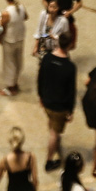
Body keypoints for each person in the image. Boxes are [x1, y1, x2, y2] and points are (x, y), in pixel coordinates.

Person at [37, 31, 78, 170]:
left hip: (47, 100)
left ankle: (54, 139)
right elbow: (71, 91)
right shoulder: (70, 67)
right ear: (70, 45)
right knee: (55, 133)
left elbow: (40, 78)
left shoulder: (47, 58)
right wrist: (71, 110)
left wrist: (40, 96)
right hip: (60, 106)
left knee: (51, 122)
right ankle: (49, 161)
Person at [0, 0, 28, 96]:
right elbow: (26, 17)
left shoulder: (6, 13)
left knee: (9, 63)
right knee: (18, 60)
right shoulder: (21, 7)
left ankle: (11, 87)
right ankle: (15, 81)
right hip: (20, 37)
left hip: (10, 40)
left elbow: (1, 27)